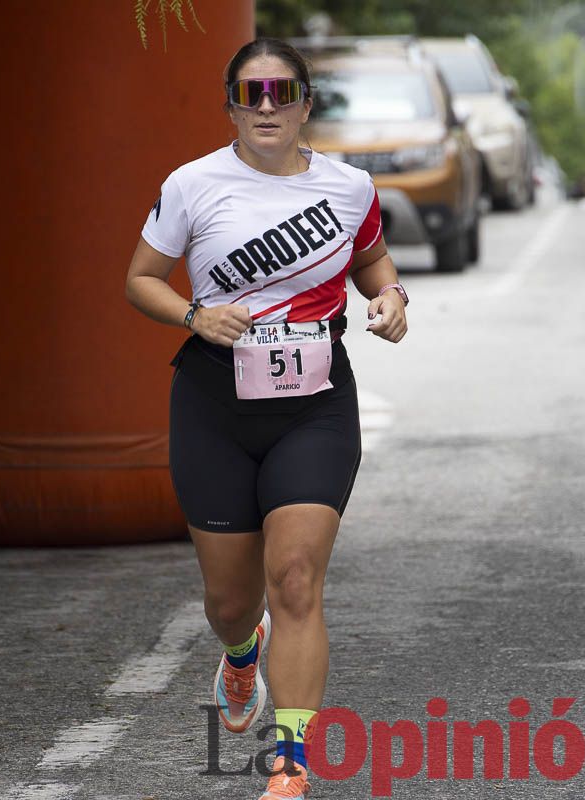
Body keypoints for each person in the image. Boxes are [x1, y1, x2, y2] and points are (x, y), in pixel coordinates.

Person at [124, 38, 408, 800]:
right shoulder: (191, 185)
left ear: (306, 103)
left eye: (282, 92)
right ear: (231, 106)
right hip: (216, 405)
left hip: (315, 406)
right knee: (230, 602)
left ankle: (292, 759)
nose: (267, 106)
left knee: (295, 579)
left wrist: (391, 300)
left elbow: (373, 264)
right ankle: (240, 653)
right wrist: (194, 312)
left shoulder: (349, 189)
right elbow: (140, 280)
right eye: (251, 94)